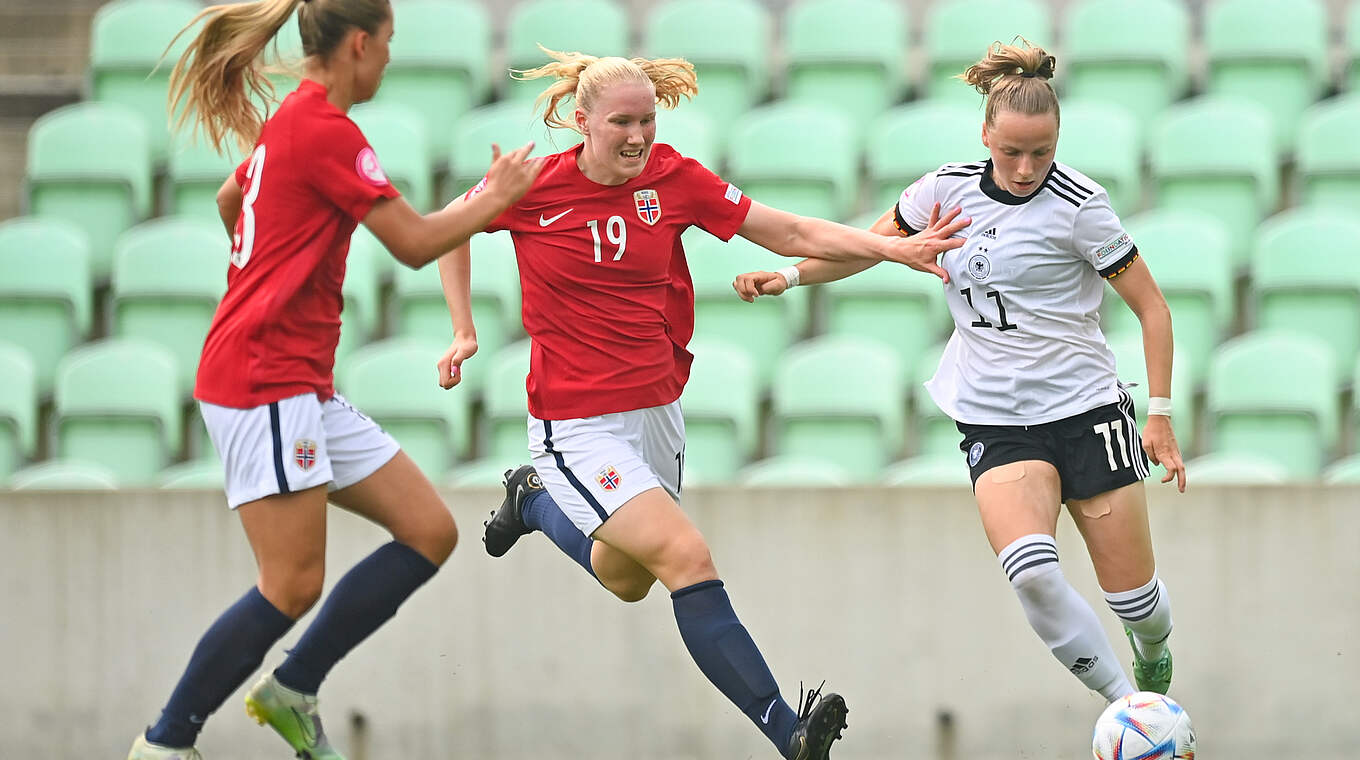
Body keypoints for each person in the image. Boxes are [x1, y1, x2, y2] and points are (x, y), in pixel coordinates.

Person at [431, 48, 969, 760]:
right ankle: (788, 728)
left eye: (646, 120)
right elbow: (449, 226)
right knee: (686, 556)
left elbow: (791, 232)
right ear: (581, 122)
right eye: (621, 121)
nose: (637, 135)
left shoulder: (673, 177)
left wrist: (889, 250)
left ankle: (532, 502)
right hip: (577, 424)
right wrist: (465, 330)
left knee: (628, 578)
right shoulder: (533, 185)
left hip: (656, 411)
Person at [126, 0, 543, 758]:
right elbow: (414, 244)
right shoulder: (324, 129)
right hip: (266, 379)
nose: (389, 59)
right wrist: (497, 197)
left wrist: (278, 274)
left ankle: (291, 687)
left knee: (427, 531)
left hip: (294, 379)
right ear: (359, 44)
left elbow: (231, 200)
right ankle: (164, 743)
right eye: (387, 45)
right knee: (290, 585)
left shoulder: (296, 118)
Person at [734, 40, 1187, 709]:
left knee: (1135, 601)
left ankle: (1151, 652)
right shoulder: (942, 191)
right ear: (985, 135)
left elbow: (1152, 307)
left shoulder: (1082, 206)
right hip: (997, 418)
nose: (1027, 167)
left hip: (1087, 410)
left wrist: (1160, 413)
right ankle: (1131, 710)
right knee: (1031, 572)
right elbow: (874, 246)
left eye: (1042, 151)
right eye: (1012, 152)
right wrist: (791, 274)